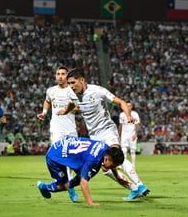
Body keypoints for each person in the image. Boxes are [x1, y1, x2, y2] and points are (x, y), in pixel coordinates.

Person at [59, 68, 150, 200]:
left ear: (82, 80)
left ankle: (140, 185)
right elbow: (72, 104)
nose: (71, 86)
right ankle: (134, 189)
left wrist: (128, 115)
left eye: (73, 83)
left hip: (107, 130)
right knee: (105, 168)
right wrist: (65, 111)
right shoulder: (72, 94)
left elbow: (121, 102)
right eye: (69, 84)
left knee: (117, 154)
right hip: (94, 137)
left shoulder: (97, 91)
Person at [37, 136, 125, 206]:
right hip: (55, 156)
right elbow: (84, 182)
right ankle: (43, 187)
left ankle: (69, 184)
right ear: (106, 159)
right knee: (65, 186)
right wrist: (90, 203)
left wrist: (117, 176)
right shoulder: (93, 160)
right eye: (113, 166)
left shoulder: (106, 148)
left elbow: (112, 160)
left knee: (82, 176)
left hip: (65, 146)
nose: (112, 168)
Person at [36, 65, 79, 202]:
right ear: (55, 76)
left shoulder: (72, 91)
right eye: (58, 74)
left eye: (63, 74)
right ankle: (62, 182)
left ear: (67, 76)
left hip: (71, 129)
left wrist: (69, 110)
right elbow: (47, 101)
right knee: (57, 157)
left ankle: (69, 185)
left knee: (72, 159)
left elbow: (78, 107)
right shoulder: (51, 91)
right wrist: (44, 112)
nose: (60, 76)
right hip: (56, 130)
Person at [119, 100, 140, 168]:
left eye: (130, 106)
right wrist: (119, 135)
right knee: (124, 150)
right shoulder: (122, 114)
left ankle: (133, 166)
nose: (128, 107)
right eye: (127, 106)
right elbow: (121, 125)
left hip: (132, 134)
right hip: (124, 134)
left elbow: (137, 125)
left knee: (132, 151)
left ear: (132, 107)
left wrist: (136, 133)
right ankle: (124, 165)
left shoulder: (135, 114)